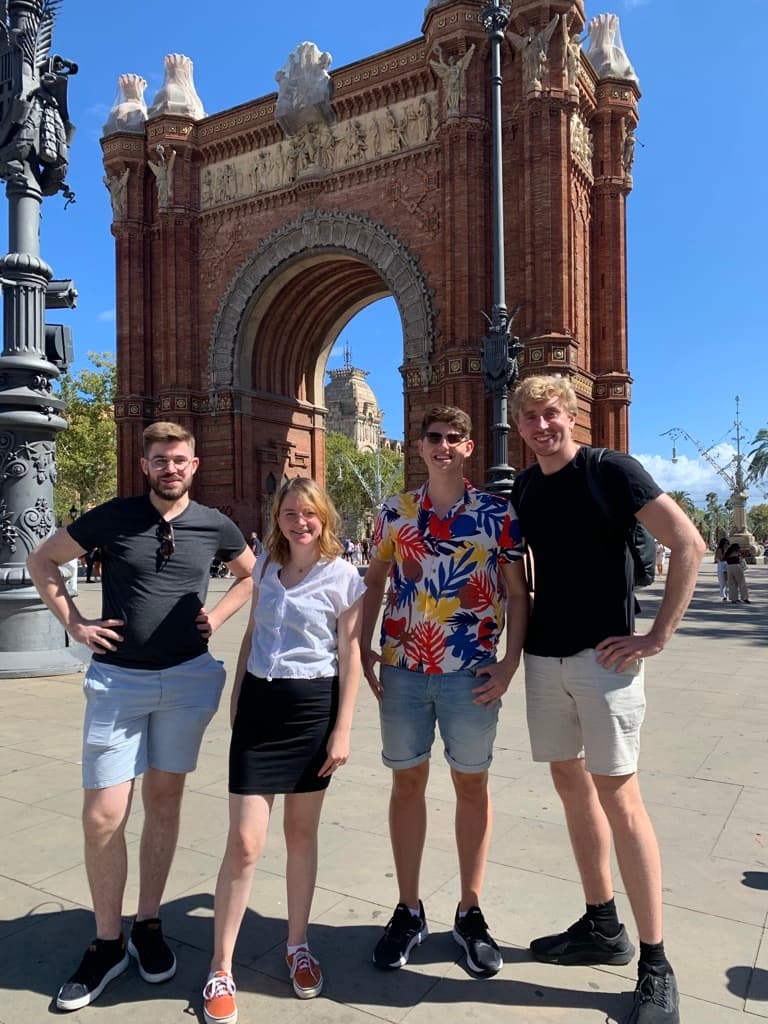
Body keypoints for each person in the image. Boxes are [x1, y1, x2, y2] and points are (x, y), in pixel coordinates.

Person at [27, 422, 256, 1012]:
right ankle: (108, 942)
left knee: (164, 802)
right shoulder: (112, 516)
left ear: (194, 465)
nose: (170, 468)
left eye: (178, 459)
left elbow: (253, 573)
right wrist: (75, 624)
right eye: (160, 460)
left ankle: (148, 923)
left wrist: (220, 616)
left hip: (186, 679)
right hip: (119, 681)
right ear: (144, 464)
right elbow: (43, 561)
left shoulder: (215, 523)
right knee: (103, 815)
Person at [509, 375, 705, 1024]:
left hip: (605, 658)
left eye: (552, 414)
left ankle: (656, 962)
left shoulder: (612, 469)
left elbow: (688, 543)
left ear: (573, 416)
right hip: (545, 657)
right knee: (570, 785)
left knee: (620, 796)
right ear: (520, 426)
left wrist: (658, 636)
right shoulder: (529, 485)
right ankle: (602, 926)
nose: (543, 425)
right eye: (531, 417)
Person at [362, 405, 529, 977]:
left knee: (471, 785)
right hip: (405, 667)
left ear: (469, 447)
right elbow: (376, 579)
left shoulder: (496, 512)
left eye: (453, 437)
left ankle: (470, 910)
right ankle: (408, 910)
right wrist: (364, 646)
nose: (442, 446)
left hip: (473, 671)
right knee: (406, 782)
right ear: (419, 446)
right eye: (432, 437)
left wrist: (511, 664)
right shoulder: (394, 512)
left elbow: (517, 590)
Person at [202, 478, 364, 1024]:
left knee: (300, 835)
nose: (299, 521)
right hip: (260, 709)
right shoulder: (267, 568)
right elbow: (254, 632)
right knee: (245, 843)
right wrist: (239, 691)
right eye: (290, 512)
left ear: (324, 518)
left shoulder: (343, 576)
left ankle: (297, 945)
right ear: (278, 517)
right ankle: (220, 967)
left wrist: (342, 730)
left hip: (312, 711)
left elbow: (351, 656)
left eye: (309, 513)